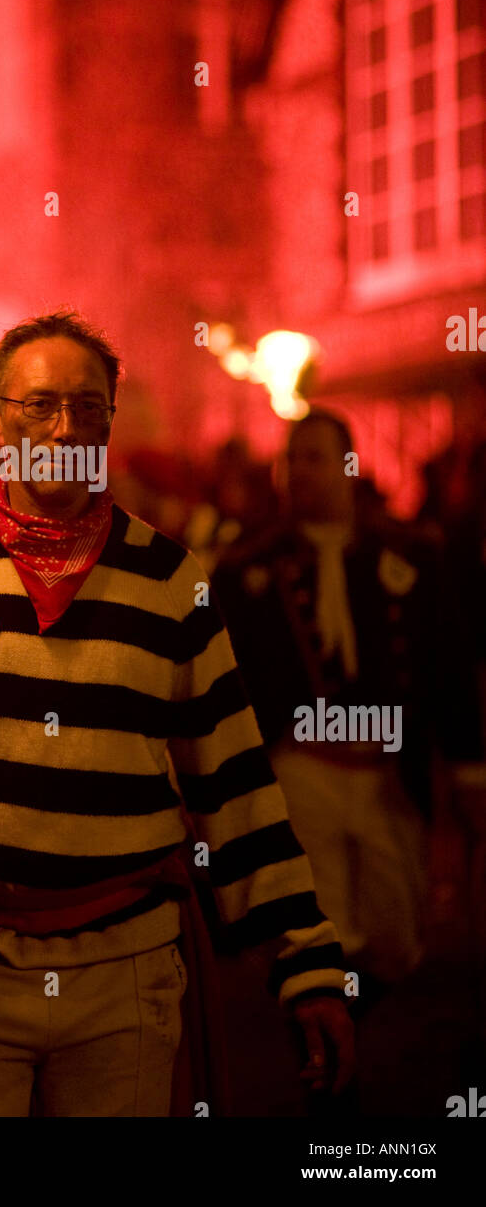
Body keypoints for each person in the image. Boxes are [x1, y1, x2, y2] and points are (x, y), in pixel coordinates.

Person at [0, 312, 354, 1117]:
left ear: (110, 422)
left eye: (87, 407)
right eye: (37, 405)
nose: (62, 427)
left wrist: (309, 966)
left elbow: (236, 786)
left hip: (127, 977)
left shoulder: (170, 579)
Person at [213, 409, 479, 1003]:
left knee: (395, 936)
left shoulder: (412, 557)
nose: (298, 471)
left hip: (389, 774)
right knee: (319, 936)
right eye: (292, 458)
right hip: (302, 769)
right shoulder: (246, 569)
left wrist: (467, 770)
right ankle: (336, 1061)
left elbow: (447, 670)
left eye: (315, 457)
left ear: (349, 466)